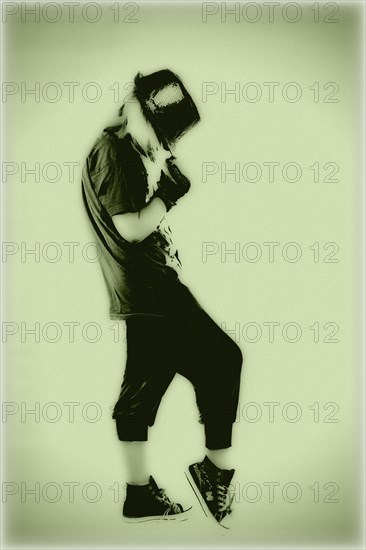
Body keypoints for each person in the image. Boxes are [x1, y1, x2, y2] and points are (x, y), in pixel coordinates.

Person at [81, 69, 243, 527]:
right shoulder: (113, 152)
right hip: (152, 288)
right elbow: (130, 228)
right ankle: (215, 473)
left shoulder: (115, 146)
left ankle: (139, 496)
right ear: (139, 110)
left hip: (145, 289)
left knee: (143, 388)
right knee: (223, 360)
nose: (163, 144)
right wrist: (170, 194)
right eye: (161, 133)